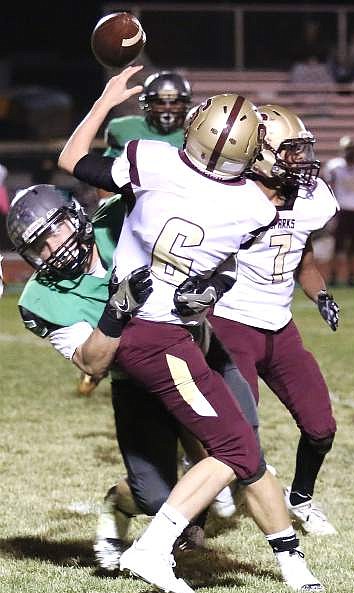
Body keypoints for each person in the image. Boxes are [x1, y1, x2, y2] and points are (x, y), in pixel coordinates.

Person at [58, 64, 324, 593]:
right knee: (232, 446)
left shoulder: (148, 159)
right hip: (157, 337)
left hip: (139, 328)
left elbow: (70, 160)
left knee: (241, 450)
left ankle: (279, 558)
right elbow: (240, 233)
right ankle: (154, 548)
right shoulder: (252, 208)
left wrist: (107, 99)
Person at [6, 184, 261, 572]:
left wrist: (209, 287)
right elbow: (91, 364)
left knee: (244, 441)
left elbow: (202, 233)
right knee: (154, 497)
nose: (52, 248)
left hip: (196, 350)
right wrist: (116, 312)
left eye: (55, 229)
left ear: (76, 214)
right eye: (39, 245)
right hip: (137, 381)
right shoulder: (40, 299)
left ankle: (278, 546)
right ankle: (119, 502)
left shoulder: (120, 217)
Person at [175, 104, 340, 537]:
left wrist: (320, 294)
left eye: (302, 151)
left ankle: (300, 499)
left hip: (280, 327)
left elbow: (301, 257)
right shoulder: (235, 195)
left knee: (321, 428)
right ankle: (194, 518)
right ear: (262, 152)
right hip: (231, 325)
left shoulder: (309, 199)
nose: (300, 161)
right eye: (290, 152)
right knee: (234, 436)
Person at [78, 70, 193, 396]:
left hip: (178, 226)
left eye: (175, 101)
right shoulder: (124, 129)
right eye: (160, 101)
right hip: (129, 219)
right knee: (117, 289)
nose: (168, 108)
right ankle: (95, 362)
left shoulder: (194, 134)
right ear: (146, 105)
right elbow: (105, 178)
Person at [323, 136, 354, 286]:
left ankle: (352, 275)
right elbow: (329, 188)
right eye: (349, 149)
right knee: (338, 246)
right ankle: (334, 275)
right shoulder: (335, 166)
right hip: (341, 210)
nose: (352, 153)